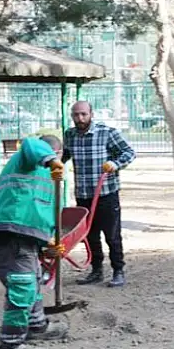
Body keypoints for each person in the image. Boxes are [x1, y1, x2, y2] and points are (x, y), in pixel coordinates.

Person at [0, 135, 69, 349]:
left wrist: (48, 245)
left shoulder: (50, 179)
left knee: (34, 280)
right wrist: (50, 158)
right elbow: (31, 142)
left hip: (24, 235)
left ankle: (36, 325)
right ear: (55, 152)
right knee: (22, 287)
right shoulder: (29, 159)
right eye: (57, 156)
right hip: (11, 230)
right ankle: (10, 346)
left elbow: (41, 215)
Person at [62, 100, 136, 288]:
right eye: (76, 115)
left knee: (112, 235)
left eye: (83, 114)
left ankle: (118, 270)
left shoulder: (107, 133)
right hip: (83, 194)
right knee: (89, 235)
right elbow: (63, 156)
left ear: (91, 114)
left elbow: (129, 152)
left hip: (106, 194)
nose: (80, 118)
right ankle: (96, 271)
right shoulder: (69, 135)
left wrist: (115, 164)